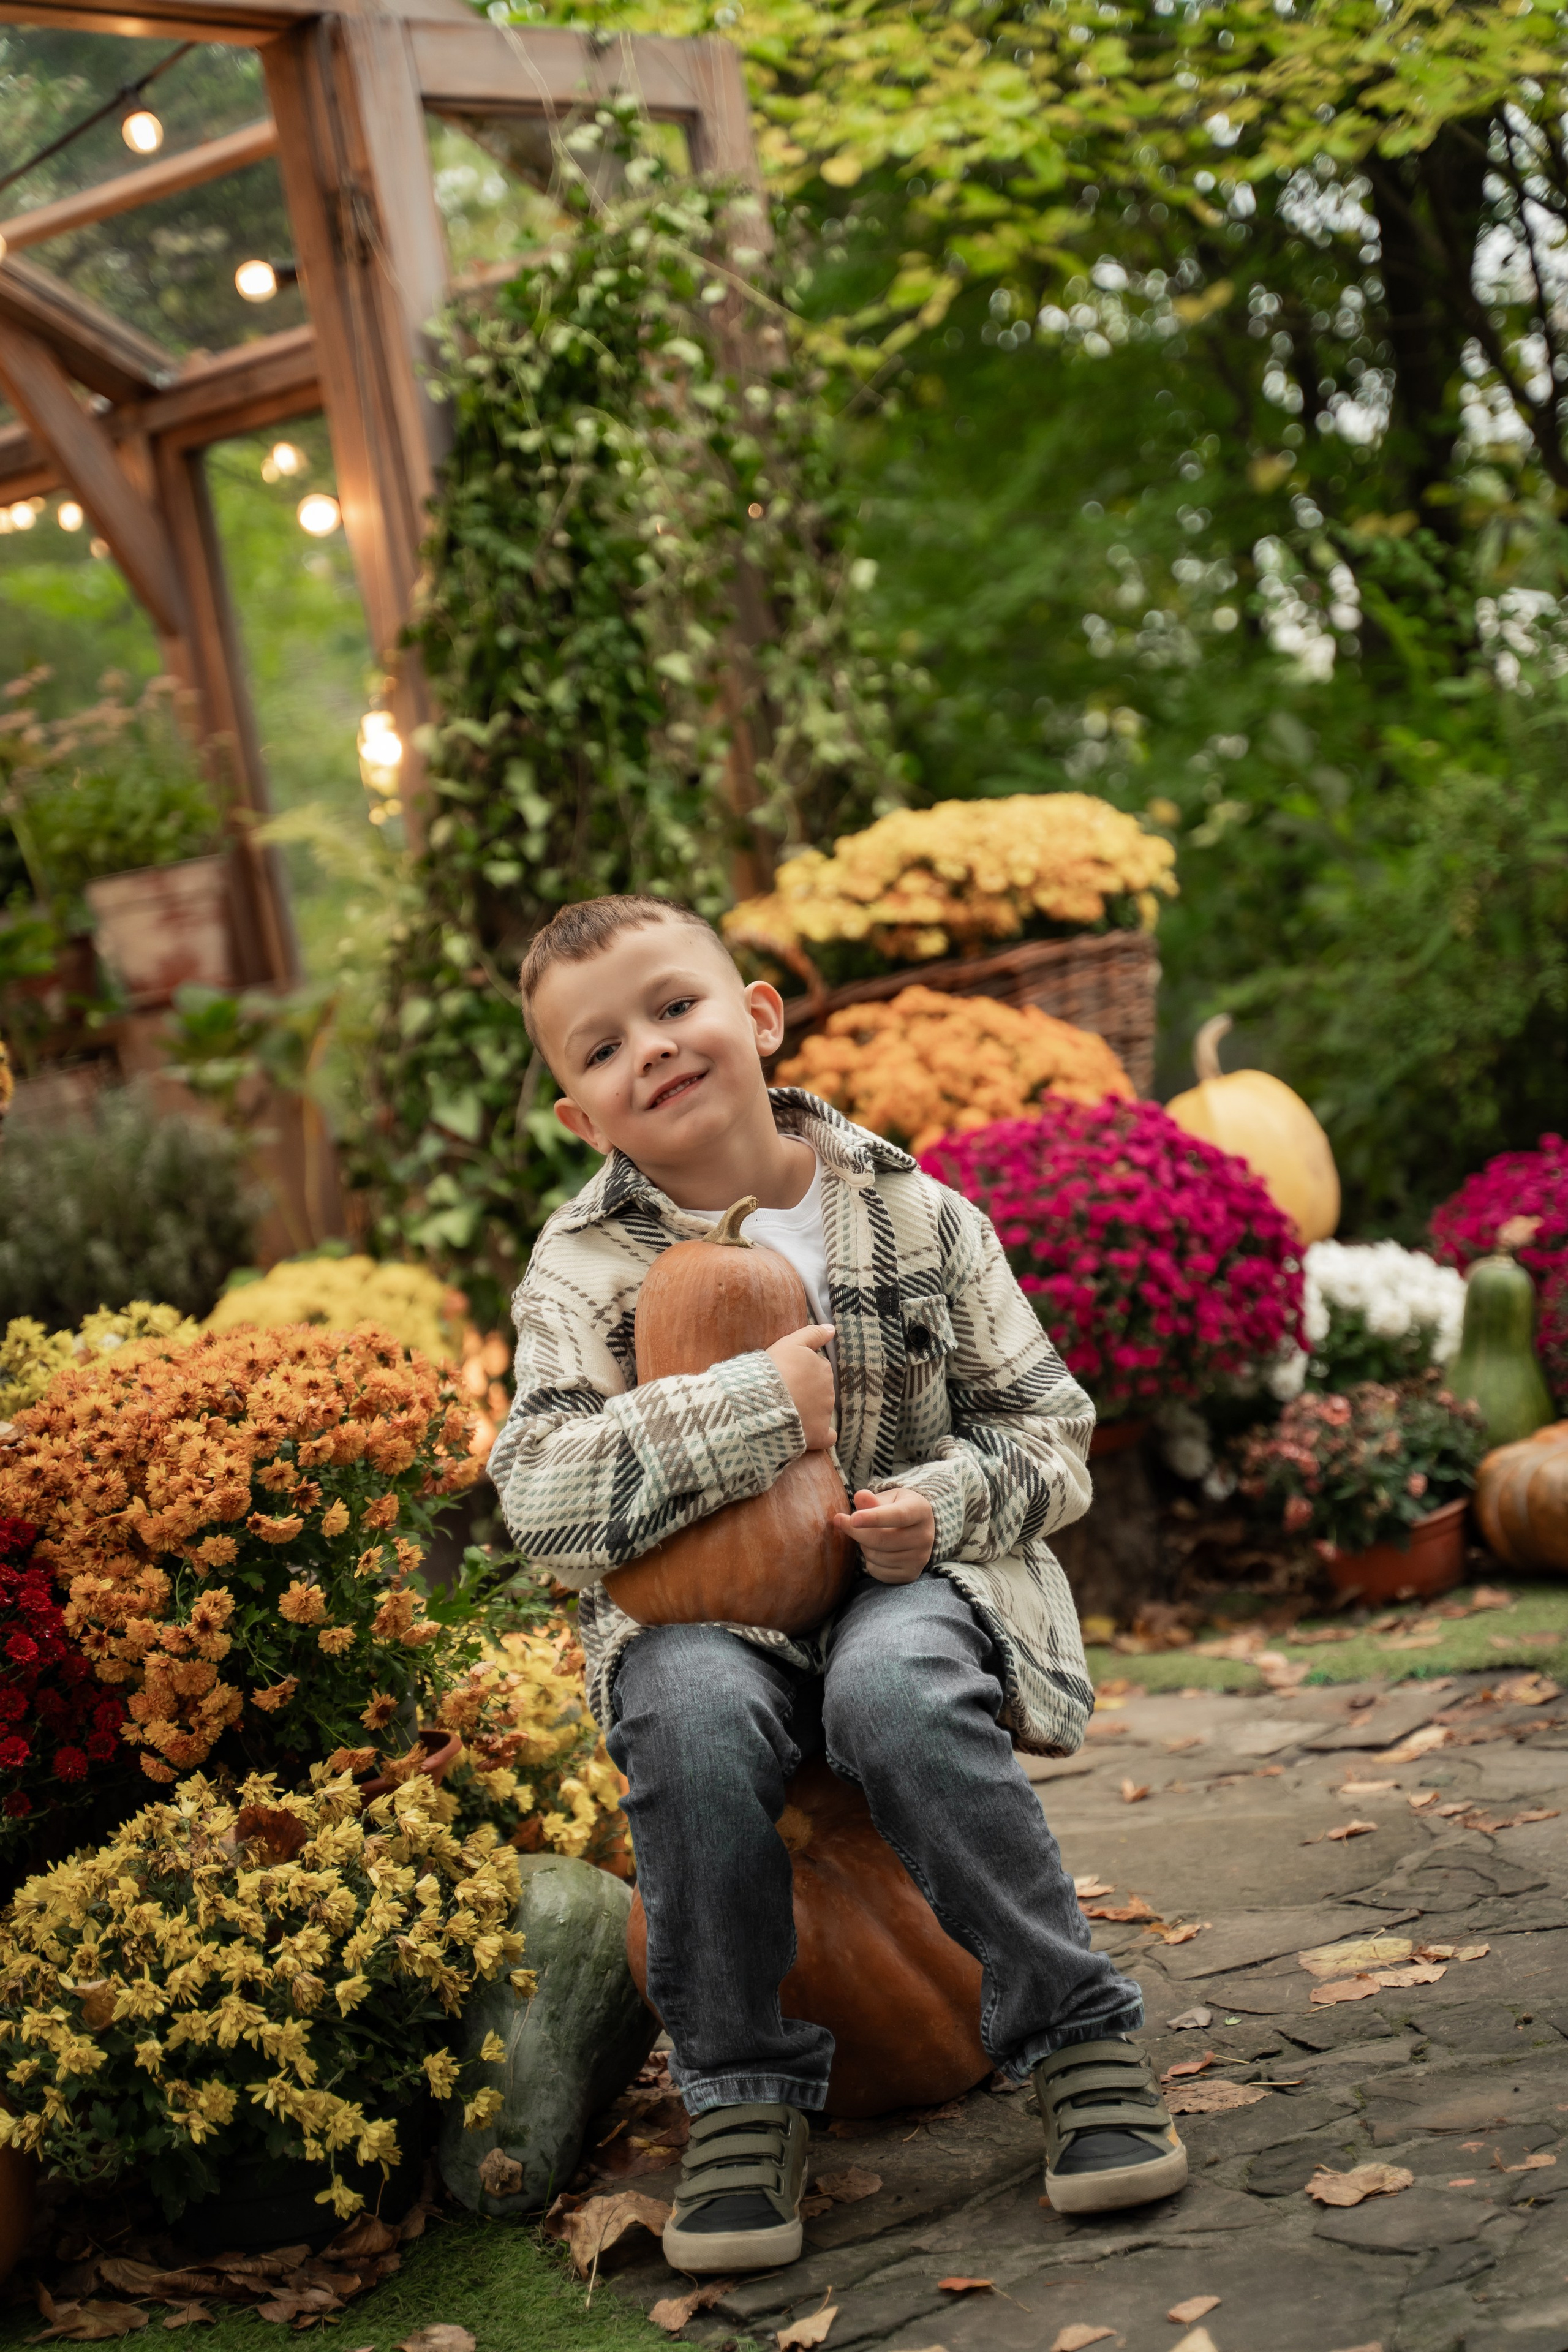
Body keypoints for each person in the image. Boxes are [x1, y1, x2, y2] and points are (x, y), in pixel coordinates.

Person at [489, 893, 1185, 2274]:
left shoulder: (914, 1212)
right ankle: (740, 2094)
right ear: (583, 1117)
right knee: (683, 1723)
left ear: (755, 1016)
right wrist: (763, 1399)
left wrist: (944, 1502)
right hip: (702, 1614)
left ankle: (1074, 2037)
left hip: (906, 1578)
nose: (651, 1048)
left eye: (673, 1006)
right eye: (600, 1046)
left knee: (902, 1694)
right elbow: (540, 1496)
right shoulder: (578, 1271)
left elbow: (1049, 1433)